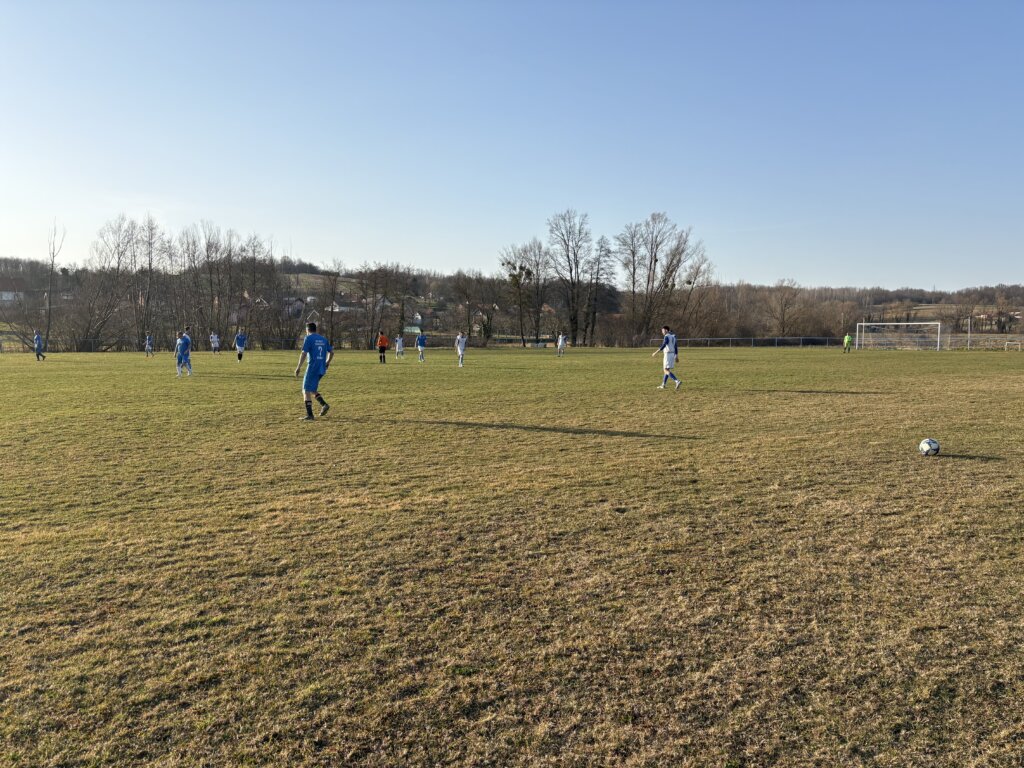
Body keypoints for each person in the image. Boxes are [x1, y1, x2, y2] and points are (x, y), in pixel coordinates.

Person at [294, 322, 333, 421]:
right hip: (321, 368)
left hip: (312, 367)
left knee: (305, 390)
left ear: (307, 330)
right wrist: (327, 362)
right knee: (312, 389)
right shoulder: (323, 339)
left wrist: (298, 367)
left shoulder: (308, 338)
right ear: (316, 329)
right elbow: (331, 352)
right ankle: (324, 405)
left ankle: (310, 415)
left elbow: (303, 353)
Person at [651, 325, 681, 390]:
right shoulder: (673, 337)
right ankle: (663, 385)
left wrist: (655, 352)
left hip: (667, 354)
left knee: (665, 370)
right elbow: (675, 347)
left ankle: (677, 381)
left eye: (663, 330)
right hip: (672, 354)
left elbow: (664, 345)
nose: (662, 331)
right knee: (667, 370)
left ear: (666, 330)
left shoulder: (666, 336)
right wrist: (676, 355)